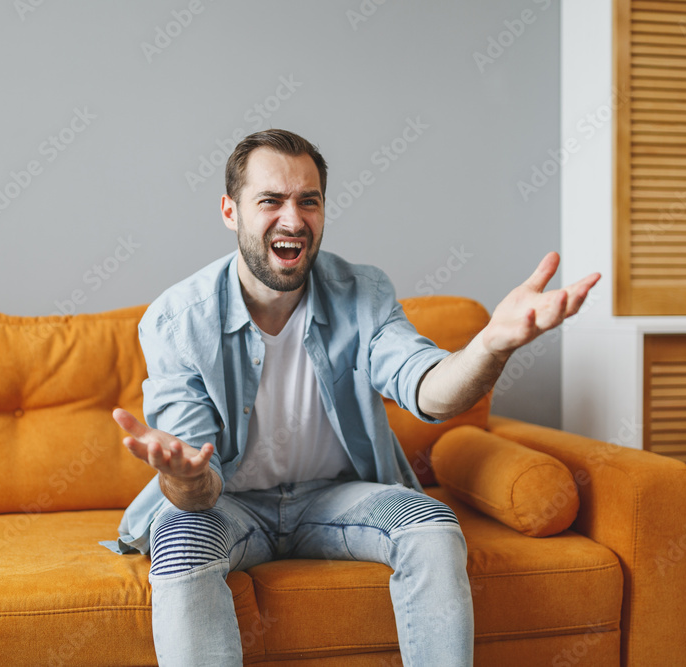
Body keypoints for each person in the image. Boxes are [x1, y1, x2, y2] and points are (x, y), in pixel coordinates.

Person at [108, 129, 600, 666]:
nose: (293, 220)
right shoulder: (178, 319)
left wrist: (490, 346)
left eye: (308, 201)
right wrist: (183, 475)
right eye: (270, 200)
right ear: (230, 211)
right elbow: (197, 492)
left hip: (334, 497)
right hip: (230, 503)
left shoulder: (363, 293)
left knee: (432, 527)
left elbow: (429, 390)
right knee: (179, 539)